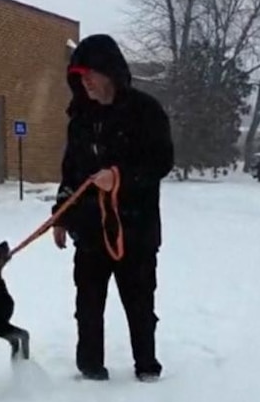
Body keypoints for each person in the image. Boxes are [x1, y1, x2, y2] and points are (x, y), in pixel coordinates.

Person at [51, 34, 174, 382]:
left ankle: (146, 365)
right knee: (88, 304)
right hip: (90, 230)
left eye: (90, 74)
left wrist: (119, 177)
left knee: (139, 302)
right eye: (79, 76)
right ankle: (90, 367)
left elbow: (161, 162)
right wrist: (61, 215)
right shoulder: (80, 119)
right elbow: (71, 173)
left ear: (109, 72)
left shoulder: (145, 111)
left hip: (136, 230)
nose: (85, 82)